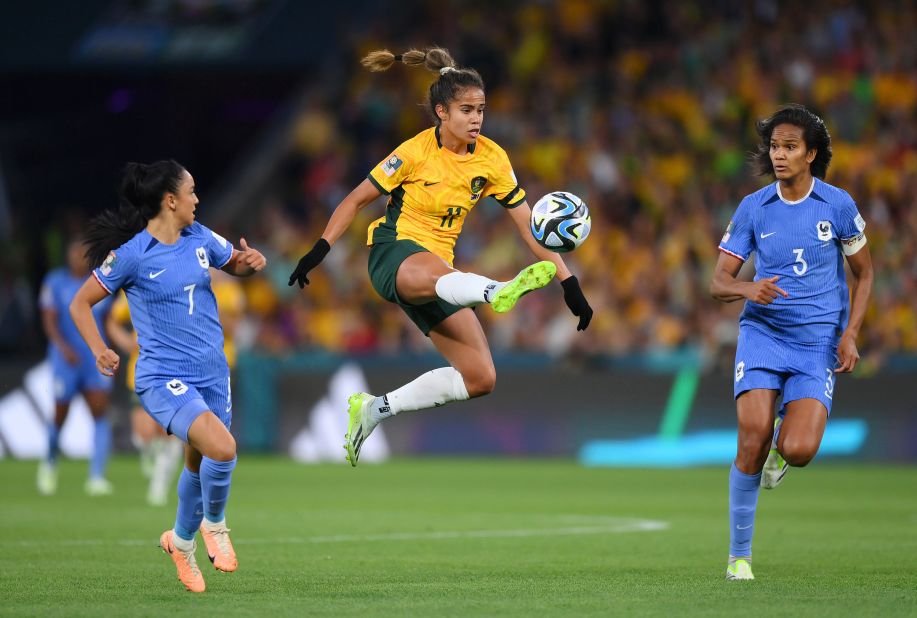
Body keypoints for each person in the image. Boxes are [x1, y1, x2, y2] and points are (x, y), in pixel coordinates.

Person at [288, 47, 593, 466]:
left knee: (481, 377)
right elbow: (356, 199)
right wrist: (320, 248)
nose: (476, 119)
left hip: (441, 275)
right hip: (394, 255)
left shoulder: (492, 159)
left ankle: (374, 409)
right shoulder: (412, 153)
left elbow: (528, 225)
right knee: (438, 271)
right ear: (441, 112)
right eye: (466, 110)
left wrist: (569, 283)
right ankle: (494, 291)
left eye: (481, 110)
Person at [70, 160, 267, 593]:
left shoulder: (199, 237)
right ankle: (215, 526)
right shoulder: (132, 256)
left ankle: (180, 542)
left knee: (198, 463)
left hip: (213, 372)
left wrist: (249, 262)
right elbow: (80, 303)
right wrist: (99, 348)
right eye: (192, 191)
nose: (198, 199)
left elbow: (232, 261)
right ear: (170, 200)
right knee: (223, 449)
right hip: (163, 377)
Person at [711, 104, 873, 581]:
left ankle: (784, 450)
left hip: (815, 342)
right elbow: (719, 282)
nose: (778, 155)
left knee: (798, 449)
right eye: (774, 147)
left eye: (789, 147)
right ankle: (739, 556)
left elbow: (865, 275)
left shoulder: (838, 206)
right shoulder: (753, 208)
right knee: (752, 433)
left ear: (811, 154)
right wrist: (747, 288)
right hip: (762, 332)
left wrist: (851, 332)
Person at [37, 237, 116, 497]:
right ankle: (49, 463)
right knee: (60, 414)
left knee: (100, 412)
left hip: (95, 360)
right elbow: (49, 321)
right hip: (66, 360)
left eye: (83, 254)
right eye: (75, 253)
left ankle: (97, 476)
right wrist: (63, 348)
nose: (79, 258)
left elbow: (109, 320)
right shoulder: (55, 282)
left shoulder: (100, 282)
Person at [106, 291, 184, 506]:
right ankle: (152, 455)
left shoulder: (180, 289)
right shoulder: (134, 289)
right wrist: (126, 343)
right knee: (144, 435)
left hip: (173, 370)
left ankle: (159, 485)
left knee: (166, 431)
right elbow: (112, 320)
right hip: (142, 372)